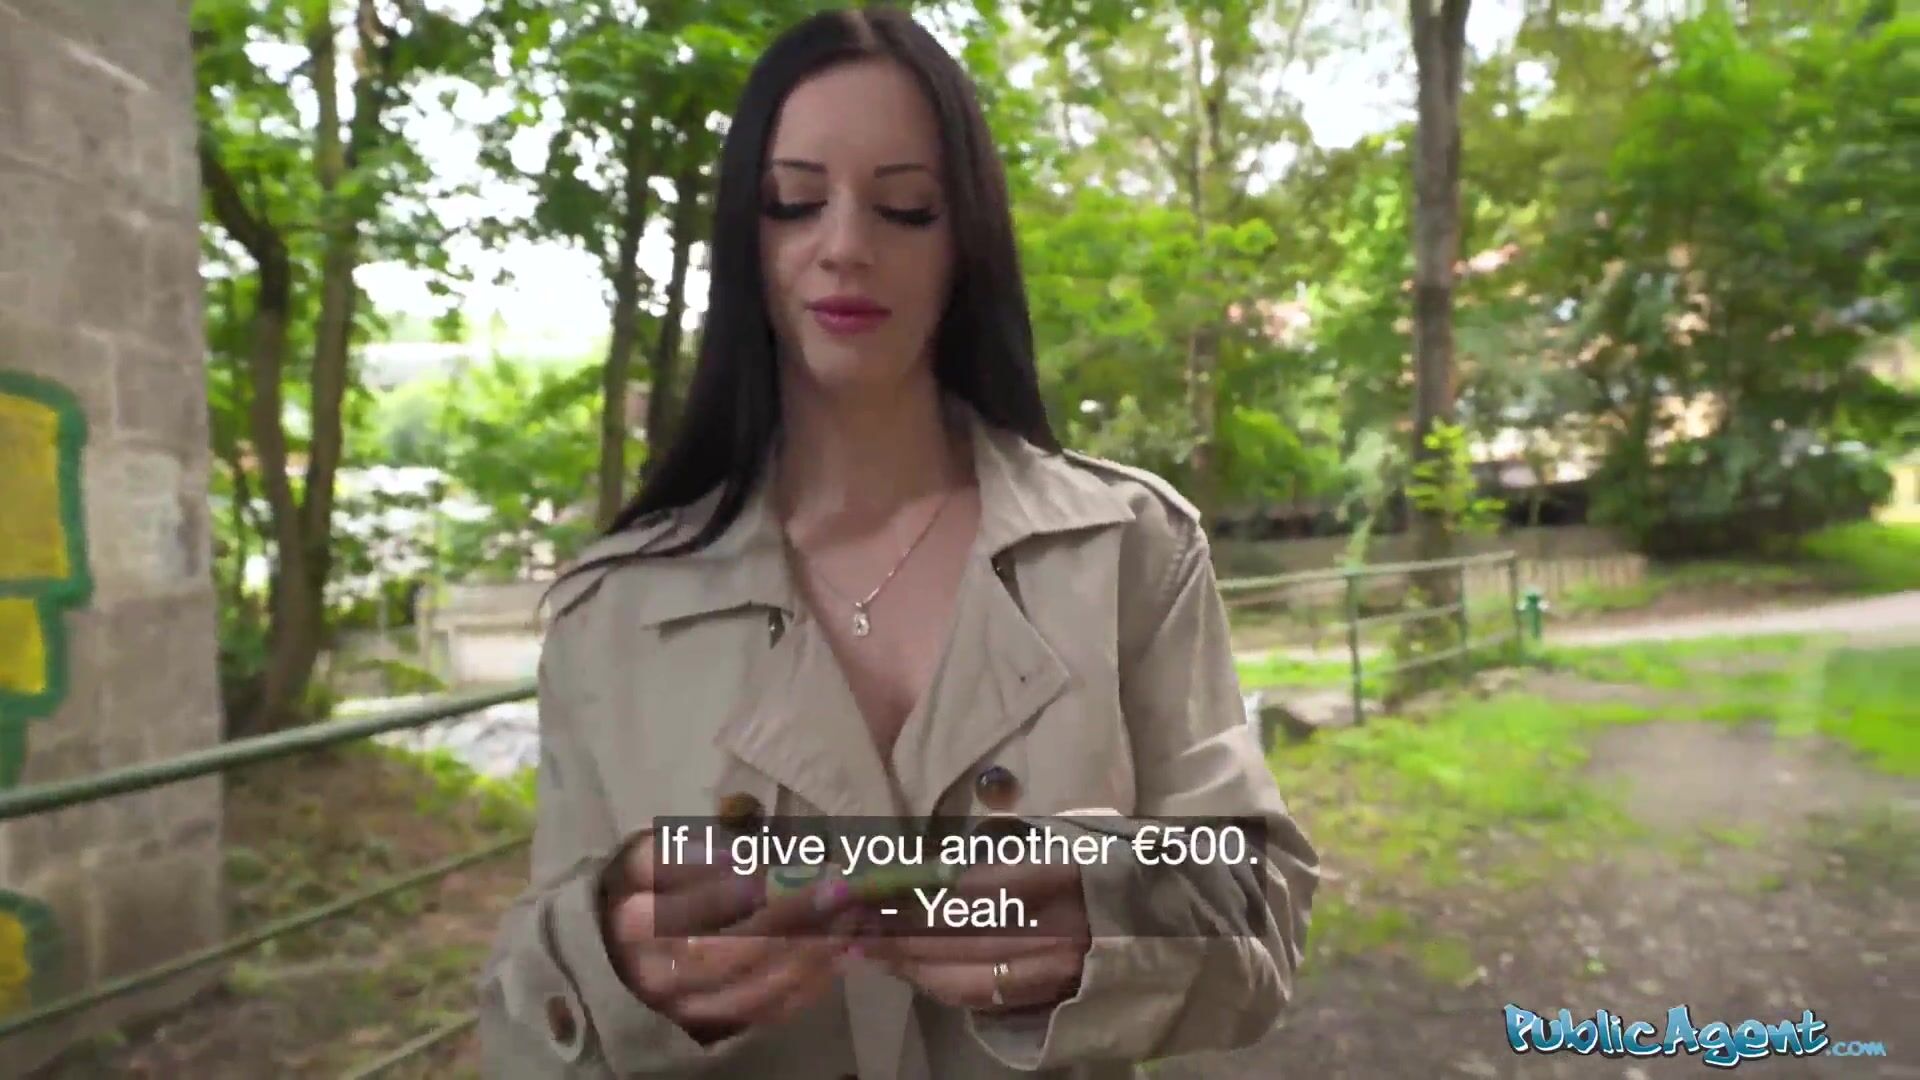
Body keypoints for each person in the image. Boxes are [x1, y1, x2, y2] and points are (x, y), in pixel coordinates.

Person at [476, 6, 1319, 1077]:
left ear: (965, 240)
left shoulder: (1128, 552)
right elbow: (521, 1024)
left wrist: (1108, 914)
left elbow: (1256, 898)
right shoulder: (611, 614)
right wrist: (611, 963)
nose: (845, 246)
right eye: (794, 202)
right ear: (745, 236)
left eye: (905, 207)